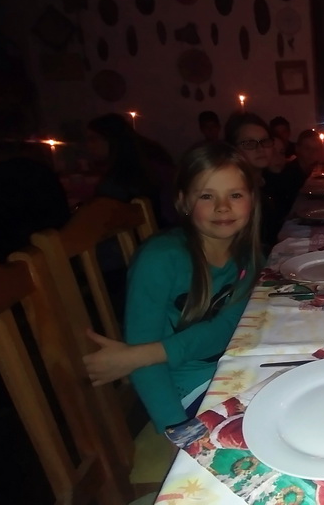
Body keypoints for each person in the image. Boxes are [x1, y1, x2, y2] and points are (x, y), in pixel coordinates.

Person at [83, 142, 262, 431]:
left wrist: (148, 353)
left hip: (234, 369)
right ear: (184, 203)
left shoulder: (248, 256)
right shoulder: (159, 260)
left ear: (252, 199)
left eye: (236, 195)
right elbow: (143, 365)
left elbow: (230, 326)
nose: (223, 207)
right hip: (185, 391)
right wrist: (177, 429)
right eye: (206, 196)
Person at [224, 112, 279, 252]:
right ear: (233, 149)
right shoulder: (234, 191)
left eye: (264, 141)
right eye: (249, 143)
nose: (260, 149)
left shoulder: (268, 180)